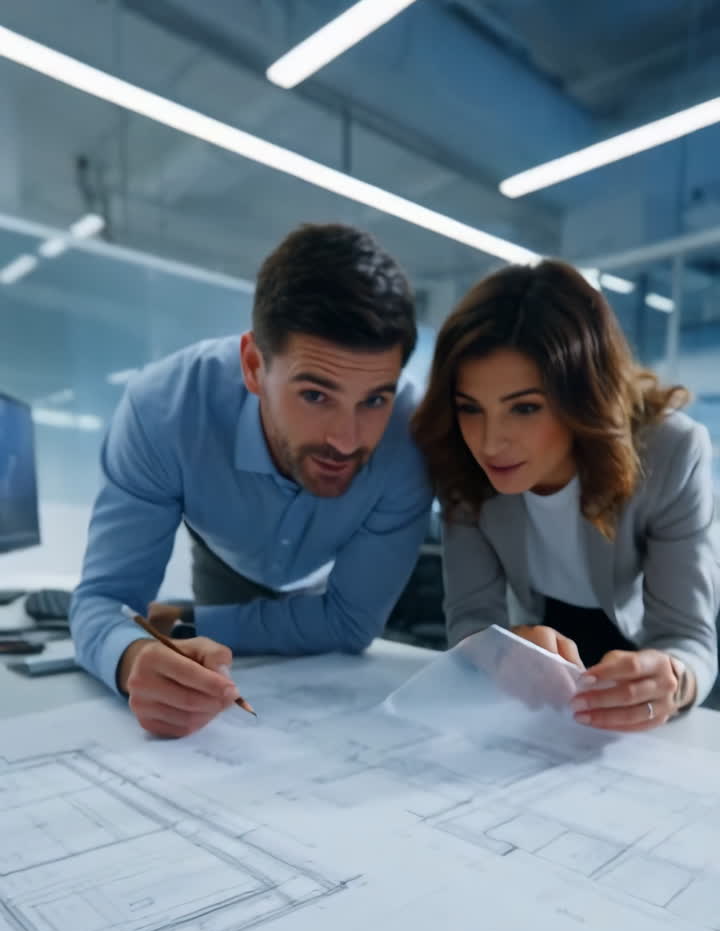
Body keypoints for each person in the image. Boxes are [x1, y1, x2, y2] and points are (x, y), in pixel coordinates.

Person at [70, 223, 431, 738]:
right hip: (223, 552)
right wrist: (135, 656)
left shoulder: (410, 439)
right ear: (253, 365)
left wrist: (183, 625)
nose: (347, 440)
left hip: (318, 573)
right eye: (315, 395)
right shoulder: (164, 412)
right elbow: (103, 599)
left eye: (374, 399)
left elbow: (350, 623)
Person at [413, 259, 720, 732]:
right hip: (551, 633)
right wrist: (498, 653)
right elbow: (471, 620)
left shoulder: (672, 452)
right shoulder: (459, 456)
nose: (490, 443)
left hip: (647, 640)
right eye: (471, 408)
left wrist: (673, 683)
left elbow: (688, 638)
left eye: (524, 408)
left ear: (584, 398)